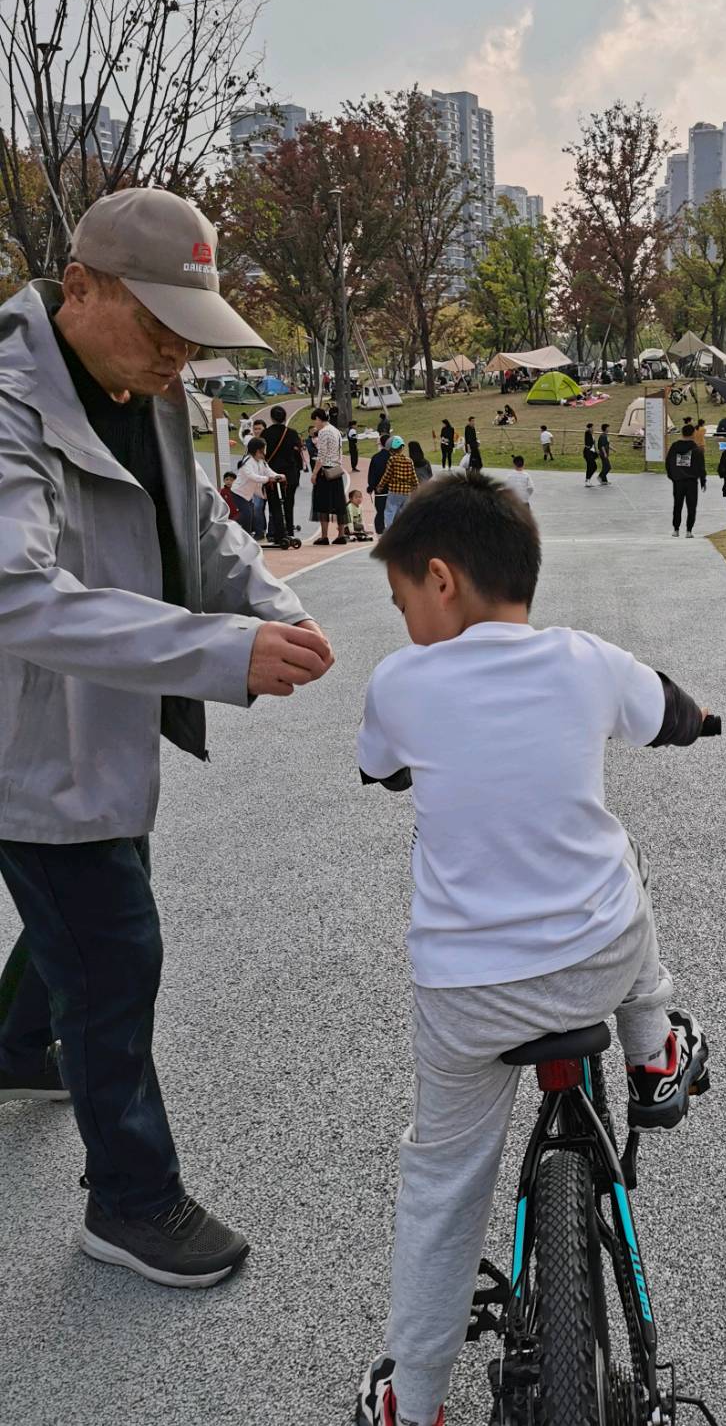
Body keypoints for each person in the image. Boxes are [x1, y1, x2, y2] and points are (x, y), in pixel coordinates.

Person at [0, 187, 335, 1289]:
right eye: (158, 327)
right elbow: (16, 596)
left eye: (190, 334)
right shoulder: (9, 402)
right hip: (21, 735)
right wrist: (221, 651)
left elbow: (198, 524)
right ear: (78, 287)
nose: (177, 355)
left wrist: (273, 606)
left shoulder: (142, 389)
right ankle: (131, 1200)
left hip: (88, 722)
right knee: (115, 949)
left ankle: (15, 1047)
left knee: (84, 902)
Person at [353, 473, 711, 1426]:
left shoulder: (401, 682)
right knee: (619, 859)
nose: (404, 622)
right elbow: (670, 710)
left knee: (441, 1183)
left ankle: (413, 1402)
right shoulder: (586, 660)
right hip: (596, 963)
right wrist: (701, 720)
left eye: (400, 601)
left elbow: (378, 766)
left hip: (466, 998)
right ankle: (653, 1051)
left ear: (439, 580)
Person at [263, 403, 306, 542]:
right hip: (289, 473)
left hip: (272, 472)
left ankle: (279, 534)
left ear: (271, 418)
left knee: (274, 504)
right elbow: (297, 450)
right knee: (289, 503)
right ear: (285, 417)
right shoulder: (292, 433)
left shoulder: (266, 433)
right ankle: (290, 531)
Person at [310, 406, 350, 545]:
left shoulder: (323, 432)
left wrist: (314, 473)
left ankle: (324, 536)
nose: (315, 424)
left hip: (325, 471)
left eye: (315, 420)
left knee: (323, 504)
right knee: (339, 503)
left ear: (318, 418)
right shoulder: (335, 430)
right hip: (336, 470)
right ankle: (341, 534)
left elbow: (321, 455)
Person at [233, 437, 284, 541]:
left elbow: (268, 471)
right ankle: (235, 530)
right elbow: (252, 476)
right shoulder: (247, 461)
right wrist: (268, 479)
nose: (264, 452)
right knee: (247, 515)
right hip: (238, 493)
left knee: (248, 516)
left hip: (248, 494)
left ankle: (243, 536)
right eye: (262, 450)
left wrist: (278, 476)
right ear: (257, 450)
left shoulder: (261, 462)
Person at [665, 419, 706, 538]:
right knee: (691, 506)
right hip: (692, 482)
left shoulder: (674, 446)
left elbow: (668, 462)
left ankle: (676, 529)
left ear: (682, 433)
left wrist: (672, 476)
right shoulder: (696, 449)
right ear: (693, 434)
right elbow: (701, 466)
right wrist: (703, 480)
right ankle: (689, 531)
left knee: (677, 505)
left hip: (678, 481)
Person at [378, 435, 418, 529]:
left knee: (390, 511)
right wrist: (416, 487)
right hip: (406, 491)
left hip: (394, 490)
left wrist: (380, 486)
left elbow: (387, 475)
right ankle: (403, 530)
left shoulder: (392, 459)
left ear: (391, 448)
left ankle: (389, 531)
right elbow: (414, 476)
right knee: (403, 512)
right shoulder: (409, 460)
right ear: (402, 448)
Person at [367, 435, 392, 534]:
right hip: (393, 490)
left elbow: (372, 474)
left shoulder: (376, 458)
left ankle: (380, 531)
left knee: (380, 512)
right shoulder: (395, 456)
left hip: (380, 491)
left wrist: (371, 487)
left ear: (381, 443)